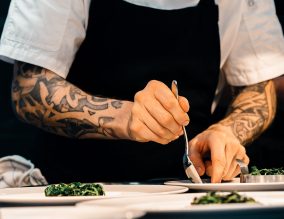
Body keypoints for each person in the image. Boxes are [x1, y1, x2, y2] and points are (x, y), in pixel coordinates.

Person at [0, 0, 283, 183]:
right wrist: (125, 116)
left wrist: (227, 132)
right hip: (74, 188)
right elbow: (28, 89)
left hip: (192, 191)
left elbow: (261, 83)